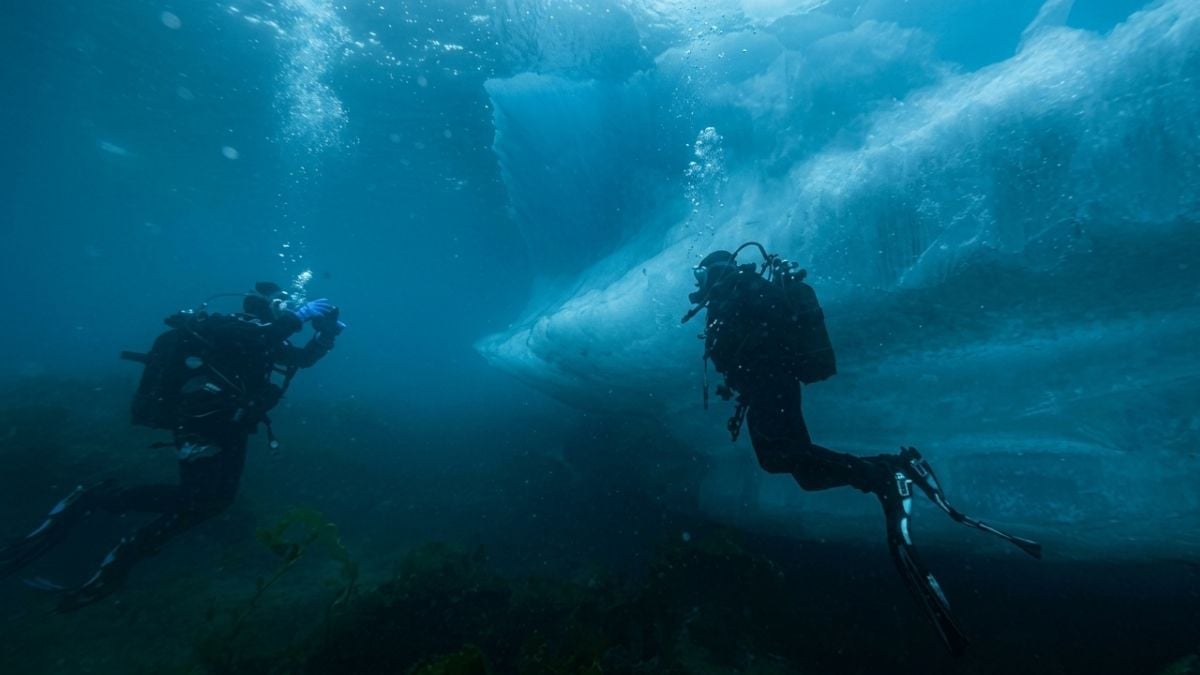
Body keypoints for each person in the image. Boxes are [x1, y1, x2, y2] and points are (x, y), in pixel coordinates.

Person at [683, 244, 1040, 655]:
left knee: (784, 457)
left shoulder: (744, 289)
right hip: (764, 388)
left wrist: (758, 360)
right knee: (800, 470)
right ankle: (889, 467)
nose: (698, 285)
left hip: (773, 384)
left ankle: (881, 476)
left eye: (701, 275)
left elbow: (771, 326)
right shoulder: (732, 297)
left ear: (717, 270)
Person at [0, 283, 344, 610]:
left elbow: (300, 359)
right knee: (198, 497)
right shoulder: (232, 325)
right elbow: (261, 336)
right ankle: (96, 501)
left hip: (232, 425)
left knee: (215, 501)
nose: (289, 306)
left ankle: (127, 551)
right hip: (199, 422)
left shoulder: (269, 337)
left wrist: (326, 335)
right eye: (282, 302)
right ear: (264, 305)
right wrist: (299, 316)